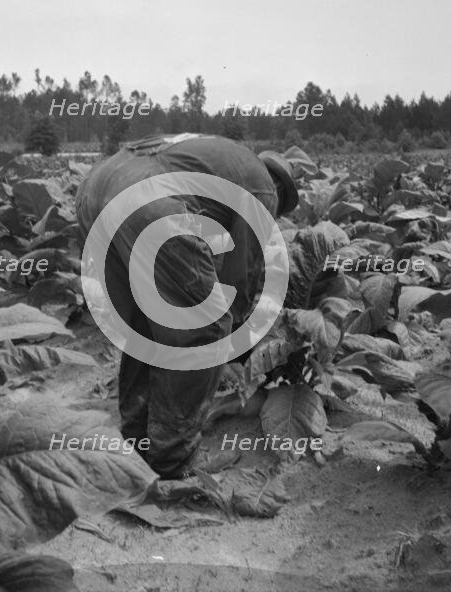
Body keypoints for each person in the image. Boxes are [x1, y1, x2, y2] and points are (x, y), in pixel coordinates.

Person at [76, 134, 298, 478]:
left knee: (145, 320)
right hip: (150, 204)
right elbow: (242, 278)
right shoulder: (264, 189)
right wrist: (233, 350)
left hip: (98, 188)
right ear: (280, 196)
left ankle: (138, 436)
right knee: (205, 327)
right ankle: (171, 458)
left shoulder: (219, 157)